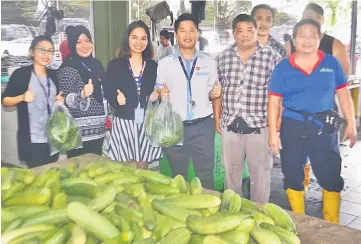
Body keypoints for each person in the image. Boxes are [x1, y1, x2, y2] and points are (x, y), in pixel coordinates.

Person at [268, 19, 357, 223]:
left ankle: (332, 224)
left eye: (313, 36)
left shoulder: (331, 63)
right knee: (292, 174)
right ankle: (299, 222)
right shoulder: (283, 67)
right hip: (292, 126)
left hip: (323, 127)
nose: (307, 40)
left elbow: (343, 94)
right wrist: (273, 133)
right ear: (294, 38)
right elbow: (274, 101)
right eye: (302, 35)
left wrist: (351, 123)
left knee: (330, 175)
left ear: (320, 38)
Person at [214, 14, 281, 203]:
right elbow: (217, 90)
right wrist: (217, 118)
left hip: (259, 127)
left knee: (260, 176)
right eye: (240, 31)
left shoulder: (271, 58)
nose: (245, 35)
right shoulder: (222, 58)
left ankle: (260, 216)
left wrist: (276, 124)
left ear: (256, 31)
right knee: (231, 176)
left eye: (249, 30)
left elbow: (278, 96)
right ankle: (234, 216)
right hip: (230, 125)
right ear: (233, 33)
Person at [284, 3, 351, 192]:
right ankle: (302, 189)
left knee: (328, 166)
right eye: (306, 17)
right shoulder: (290, 46)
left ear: (321, 21)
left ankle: (329, 201)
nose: (310, 22)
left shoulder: (333, 44)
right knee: (295, 164)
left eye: (315, 18)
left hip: (325, 116)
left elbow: (342, 81)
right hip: (295, 117)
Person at [155, 13, 221, 189]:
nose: (188, 34)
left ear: (198, 34)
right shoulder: (164, 64)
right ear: (176, 35)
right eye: (182, 30)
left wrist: (215, 96)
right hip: (175, 126)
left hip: (203, 126)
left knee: (205, 174)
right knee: (178, 174)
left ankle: (208, 211)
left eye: (192, 30)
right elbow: (157, 90)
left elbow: (213, 92)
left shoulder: (209, 62)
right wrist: (161, 92)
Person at [104, 21, 162, 169]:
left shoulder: (153, 66)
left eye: (143, 38)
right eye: (134, 37)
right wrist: (116, 99)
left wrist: (155, 97)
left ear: (148, 41)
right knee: (123, 165)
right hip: (124, 122)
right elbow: (108, 89)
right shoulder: (115, 64)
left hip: (146, 121)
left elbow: (157, 91)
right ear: (127, 39)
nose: (139, 42)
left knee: (142, 164)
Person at [2, 35, 64, 168]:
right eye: (42, 50)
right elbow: (5, 101)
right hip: (33, 140)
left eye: (50, 51)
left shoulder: (54, 75)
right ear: (31, 51)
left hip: (53, 137)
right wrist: (22, 97)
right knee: (36, 177)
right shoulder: (21, 75)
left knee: (51, 174)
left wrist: (59, 100)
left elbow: (55, 98)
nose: (46, 54)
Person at [57, 25, 106, 158]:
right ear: (72, 45)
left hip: (98, 130)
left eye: (87, 40)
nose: (85, 45)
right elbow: (67, 100)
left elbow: (103, 93)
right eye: (79, 42)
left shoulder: (96, 64)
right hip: (78, 135)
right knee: (78, 172)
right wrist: (83, 94)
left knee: (97, 172)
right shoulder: (68, 67)